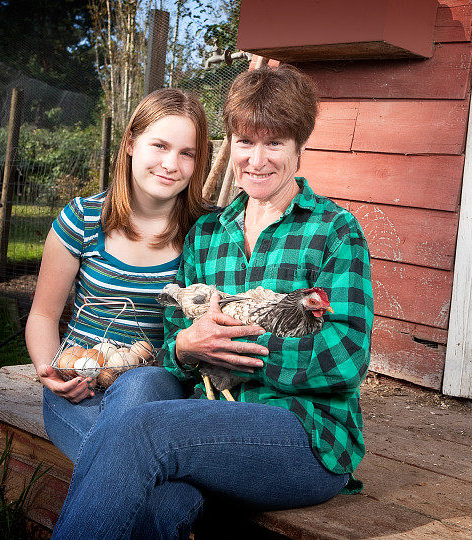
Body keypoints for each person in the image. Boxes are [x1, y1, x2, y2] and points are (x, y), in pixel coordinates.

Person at [51, 65, 375, 540]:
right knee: (165, 501)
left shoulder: (334, 231)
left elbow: (347, 355)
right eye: (245, 142)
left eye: (275, 143)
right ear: (230, 147)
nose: (257, 159)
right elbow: (171, 350)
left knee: (147, 431)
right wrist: (185, 348)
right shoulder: (205, 236)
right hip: (212, 426)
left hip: (303, 436)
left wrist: (240, 353)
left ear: (300, 150)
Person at [25, 88, 210, 462]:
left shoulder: (206, 231)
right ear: (130, 143)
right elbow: (43, 315)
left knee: (140, 387)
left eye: (186, 153)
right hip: (81, 385)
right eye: (159, 145)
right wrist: (51, 372)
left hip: (158, 388)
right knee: (165, 488)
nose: (171, 164)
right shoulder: (83, 219)